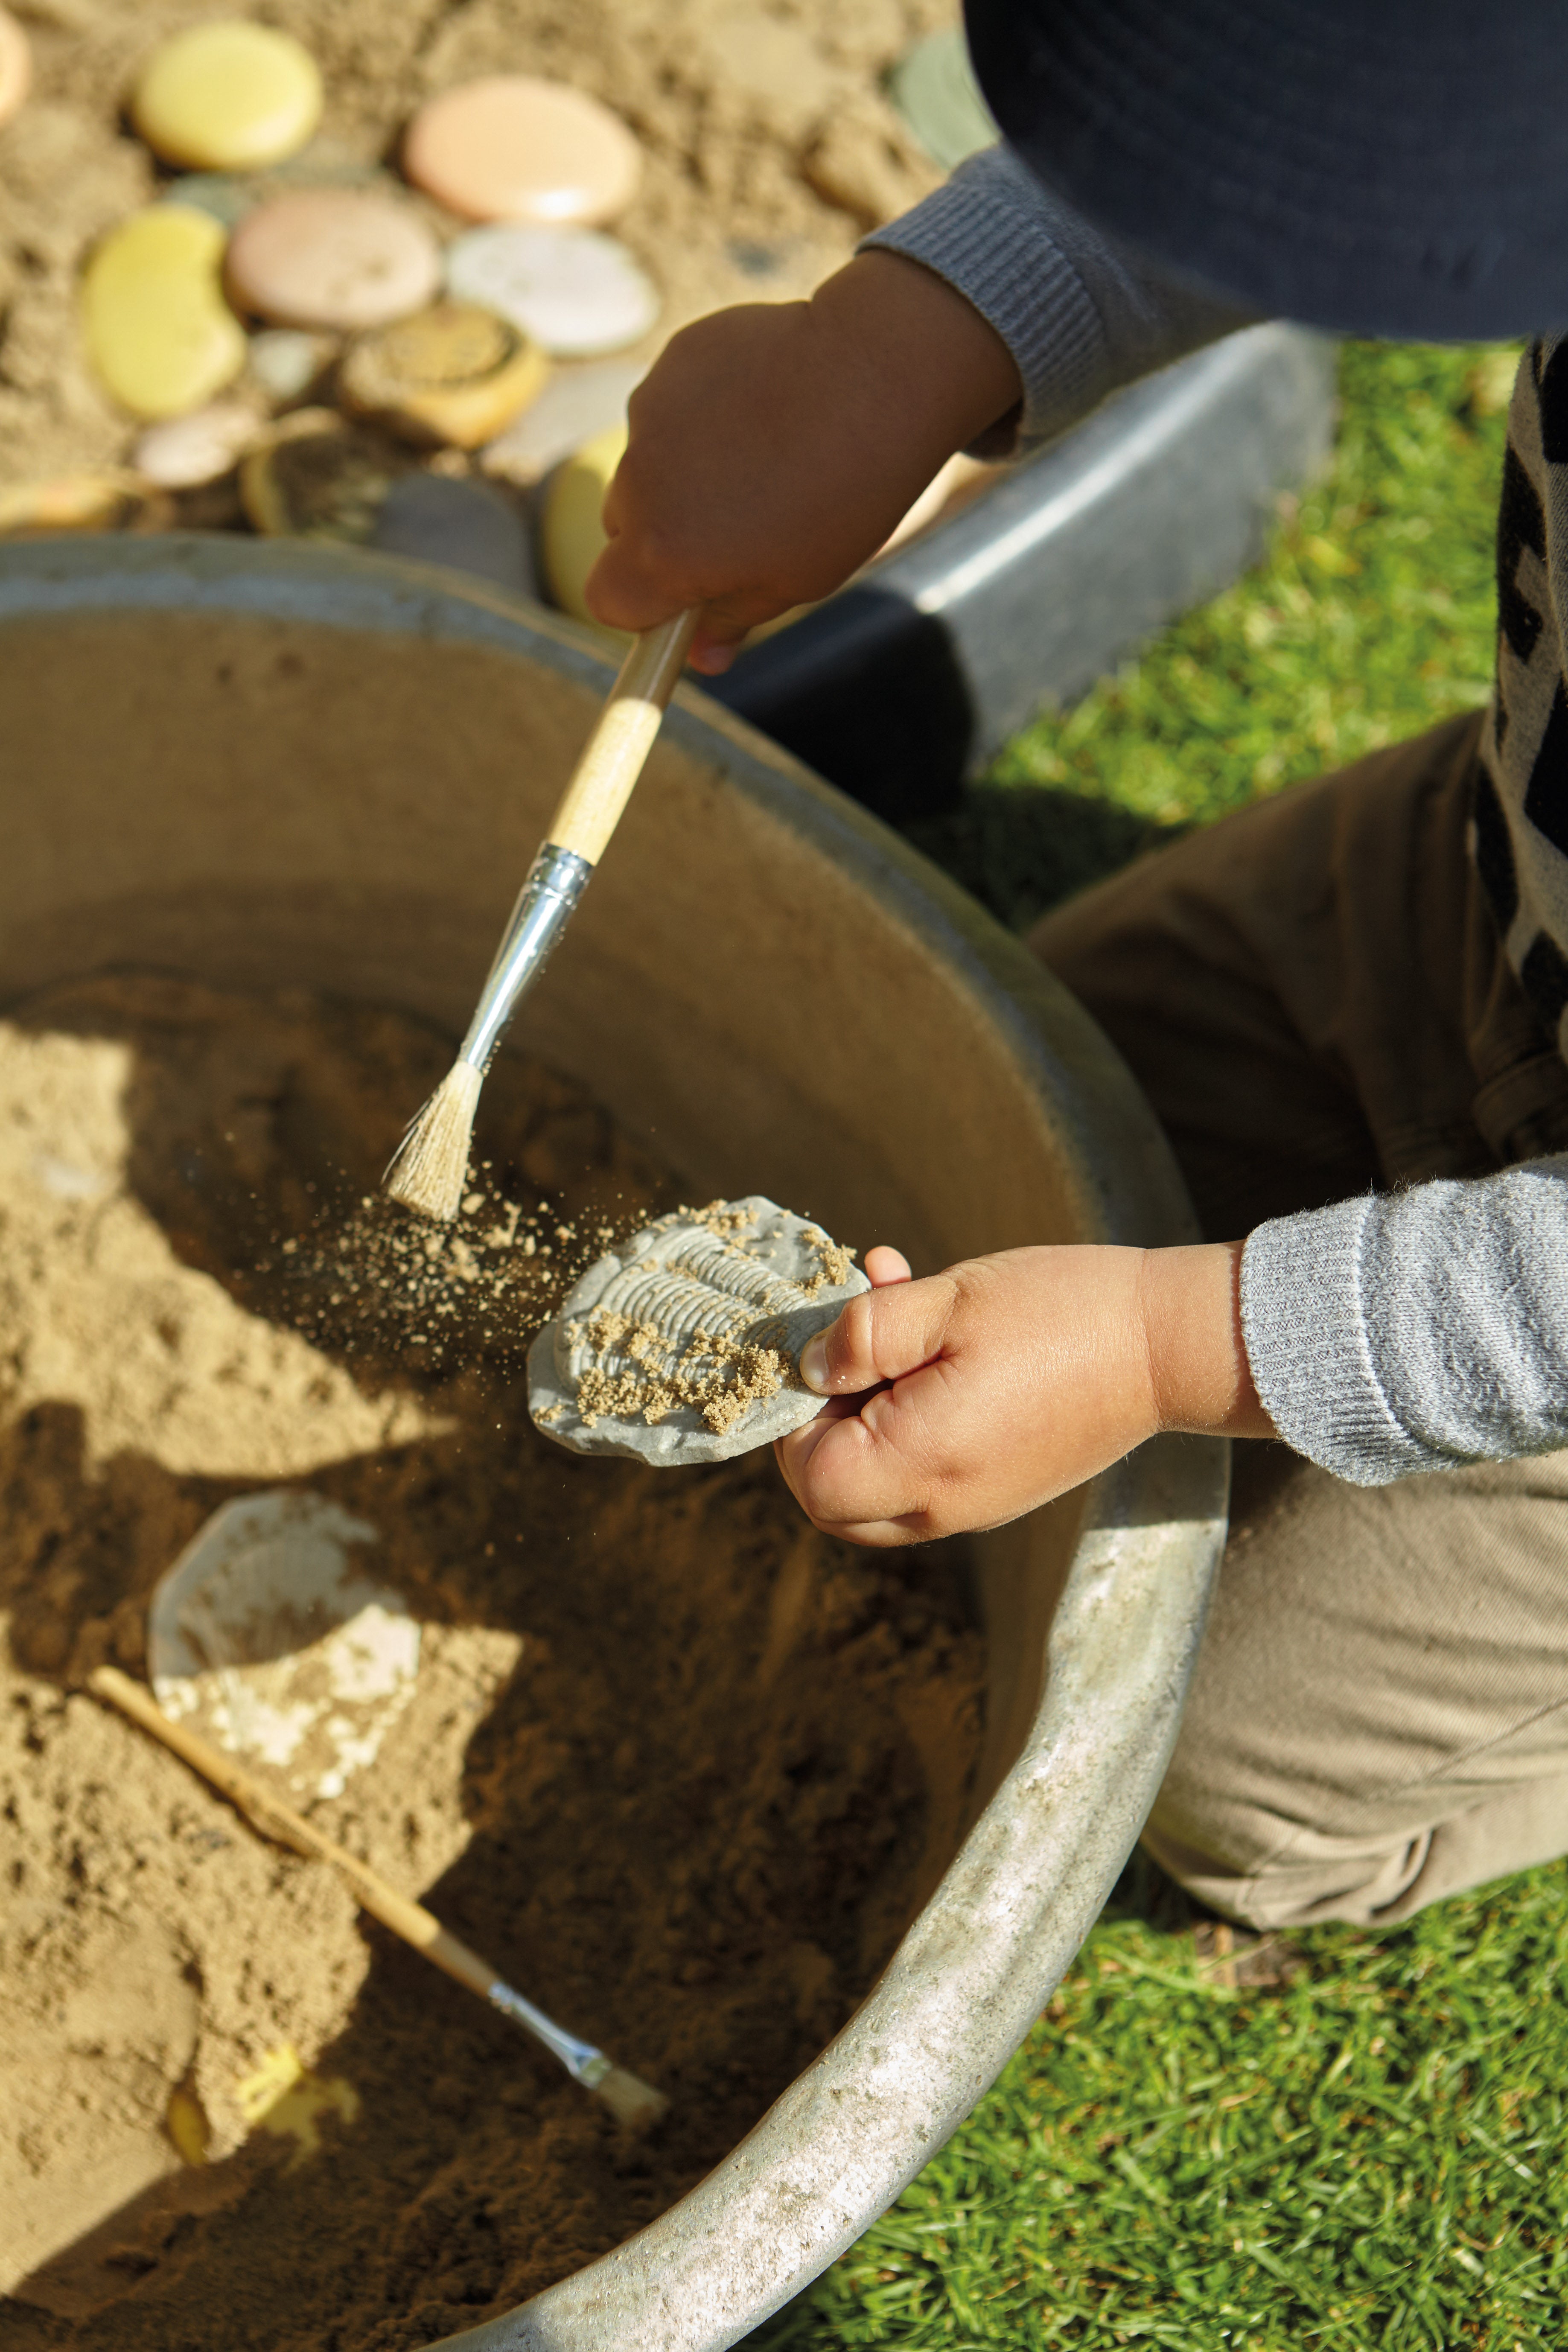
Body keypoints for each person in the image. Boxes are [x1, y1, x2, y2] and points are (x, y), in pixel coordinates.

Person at [585, 0, 1568, 1931]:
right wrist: (909, 339)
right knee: (993, 1118)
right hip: (1482, 885)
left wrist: (1156, 1343)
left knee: (1212, 1772)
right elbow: (1320, 124)